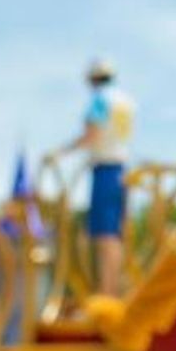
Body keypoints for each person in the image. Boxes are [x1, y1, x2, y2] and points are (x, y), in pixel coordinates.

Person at [57, 59, 135, 297]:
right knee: (115, 235)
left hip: (105, 170)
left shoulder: (101, 99)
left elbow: (92, 133)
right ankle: (112, 291)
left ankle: (106, 293)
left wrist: (63, 150)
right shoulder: (126, 101)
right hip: (122, 168)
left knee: (104, 236)